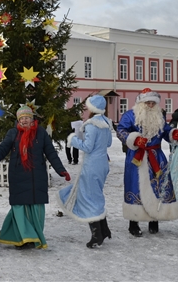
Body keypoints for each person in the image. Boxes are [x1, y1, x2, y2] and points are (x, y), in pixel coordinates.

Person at [0, 106, 71, 249]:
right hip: (18, 175)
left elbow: (51, 153)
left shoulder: (41, 133)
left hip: (37, 176)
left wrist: (61, 170)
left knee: (36, 208)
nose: (25, 120)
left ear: (32, 119)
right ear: (18, 120)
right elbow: (1, 150)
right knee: (20, 207)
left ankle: (34, 236)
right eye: (22, 118)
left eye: (27, 117)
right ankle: (23, 237)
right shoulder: (13, 133)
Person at [116, 88, 178, 237]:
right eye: (148, 103)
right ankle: (134, 222)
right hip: (137, 158)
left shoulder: (159, 116)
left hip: (156, 157)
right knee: (136, 187)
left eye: (153, 103)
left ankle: (154, 219)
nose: (151, 105)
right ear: (141, 103)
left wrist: (173, 134)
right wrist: (134, 138)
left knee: (157, 188)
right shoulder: (130, 115)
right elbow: (120, 130)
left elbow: (165, 131)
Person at [57, 95, 113, 248]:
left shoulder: (91, 124)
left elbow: (87, 147)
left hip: (92, 165)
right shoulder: (107, 122)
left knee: (88, 198)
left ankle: (97, 235)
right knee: (96, 195)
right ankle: (104, 228)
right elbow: (108, 143)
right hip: (103, 164)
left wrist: (73, 139)